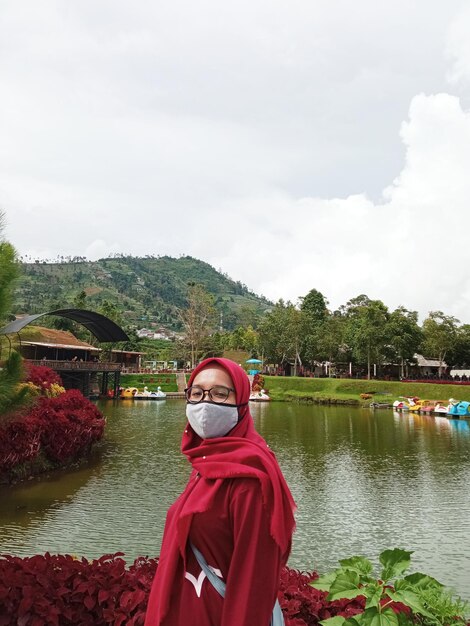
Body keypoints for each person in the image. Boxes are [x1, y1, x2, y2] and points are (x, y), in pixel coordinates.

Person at [144, 357, 296, 626]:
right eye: (197, 392)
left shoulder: (249, 479)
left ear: (242, 402)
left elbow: (252, 585)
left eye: (220, 393)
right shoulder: (208, 462)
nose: (205, 403)